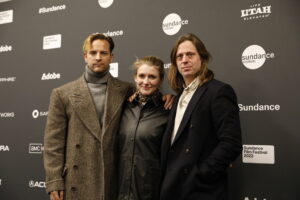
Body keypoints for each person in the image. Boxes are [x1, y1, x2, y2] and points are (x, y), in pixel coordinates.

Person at [43, 33, 134, 200]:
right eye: (93, 53)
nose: (98, 57)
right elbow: (53, 143)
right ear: (85, 56)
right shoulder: (62, 94)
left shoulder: (127, 90)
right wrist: (54, 180)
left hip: (112, 180)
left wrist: (165, 98)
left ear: (111, 57)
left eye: (103, 53)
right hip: (76, 181)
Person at [160, 33, 242, 200]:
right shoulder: (178, 97)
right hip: (172, 187)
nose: (184, 60)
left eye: (190, 54)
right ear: (175, 63)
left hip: (201, 191)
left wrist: (201, 175)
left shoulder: (218, 91)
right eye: (179, 56)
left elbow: (231, 143)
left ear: (202, 59)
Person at [117, 56, 169, 200]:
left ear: (160, 80)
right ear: (135, 77)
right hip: (119, 191)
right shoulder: (123, 106)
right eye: (141, 76)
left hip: (150, 193)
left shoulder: (169, 110)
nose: (145, 82)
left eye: (152, 77)